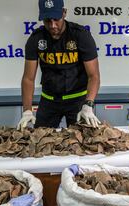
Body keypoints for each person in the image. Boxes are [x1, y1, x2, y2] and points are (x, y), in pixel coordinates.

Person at [17, 0, 101, 130]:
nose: (53, 25)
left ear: (64, 13)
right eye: (47, 20)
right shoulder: (36, 39)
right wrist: (27, 110)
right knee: (40, 143)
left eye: (56, 19)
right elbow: (28, 78)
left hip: (77, 101)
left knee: (83, 144)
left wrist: (88, 105)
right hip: (49, 101)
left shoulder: (80, 35)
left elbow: (94, 75)